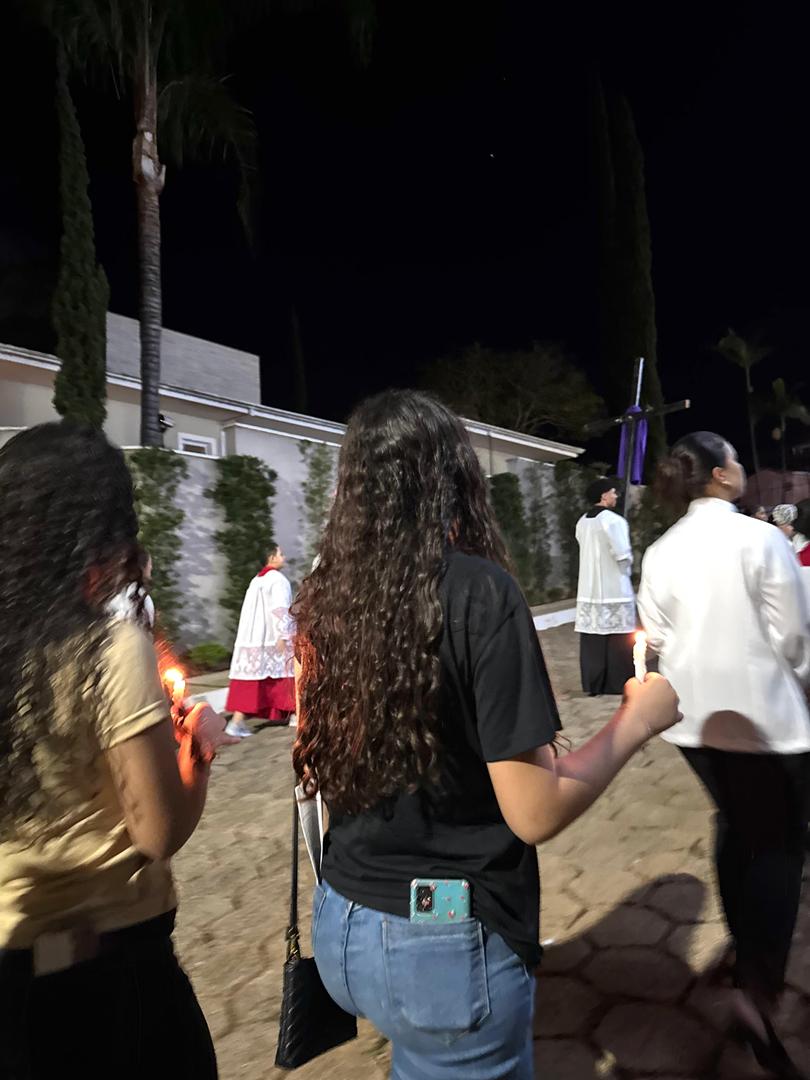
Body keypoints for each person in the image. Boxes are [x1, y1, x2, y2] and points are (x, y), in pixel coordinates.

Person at [292, 390, 681, 1080]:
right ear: (452, 477)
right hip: (438, 938)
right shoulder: (477, 593)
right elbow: (534, 811)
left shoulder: (327, 597)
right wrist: (637, 721)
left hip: (343, 921)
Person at [0, 422, 236, 1080]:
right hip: (110, 978)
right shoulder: (108, 647)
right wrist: (199, 750)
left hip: (12, 971)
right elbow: (158, 832)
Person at [638, 431, 810, 1079]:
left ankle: (743, 953)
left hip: (693, 723)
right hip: (766, 723)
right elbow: (794, 637)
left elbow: (656, 635)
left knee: (734, 825)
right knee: (780, 848)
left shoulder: (661, 550)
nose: (740, 468)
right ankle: (758, 993)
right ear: (719, 475)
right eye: (735, 459)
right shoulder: (760, 539)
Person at [225, 544, 296, 737]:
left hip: (254, 637)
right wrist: (284, 634)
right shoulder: (278, 580)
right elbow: (281, 609)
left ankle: (237, 722)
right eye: (281, 554)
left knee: (254, 680)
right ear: (272, 558)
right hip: (273, 636)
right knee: (285, 674)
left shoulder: (256, 580)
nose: (284, 556)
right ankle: (295, 715)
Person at [574, 478, 636, 696]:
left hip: (588, 587)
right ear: (603, 495)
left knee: (594, 638)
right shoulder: (614, 521)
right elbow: (622, 555)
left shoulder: (582, 521)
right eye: (613, 492)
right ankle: (618, 683)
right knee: (618, 639)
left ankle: (594, 684)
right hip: (614, 586)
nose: (616, 496)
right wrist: (627, 572)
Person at [108, 544, 156, 629]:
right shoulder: (145, 600)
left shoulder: (112, 593)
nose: (151, 567)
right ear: (143, 568)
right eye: (150, 564)